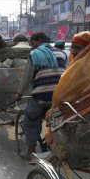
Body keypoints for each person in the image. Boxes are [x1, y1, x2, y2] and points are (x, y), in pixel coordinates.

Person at [15, 32, 65, 160]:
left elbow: (26, 77)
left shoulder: (35, 54)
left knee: (30, 121)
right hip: (58, 97)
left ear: (40, 40)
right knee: (56, 124)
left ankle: (31, 152)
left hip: (40, 97)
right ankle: (54, 150)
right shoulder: (62, 54)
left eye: (33, 43)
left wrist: (19, 94)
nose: (32, 47)